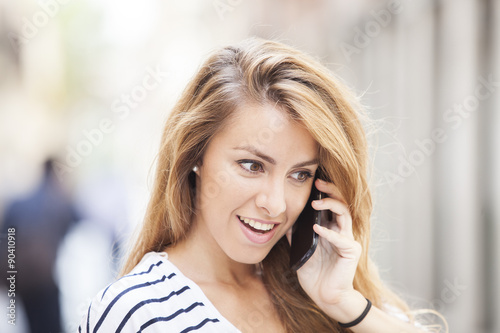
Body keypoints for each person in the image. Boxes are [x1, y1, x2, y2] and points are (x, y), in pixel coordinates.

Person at [79, 38, 441, 332]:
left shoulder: (322, 293)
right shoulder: (139, 312)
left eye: (300, 175)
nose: (277, 204)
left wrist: (343, 303)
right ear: (196, 158)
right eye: (252, 165)